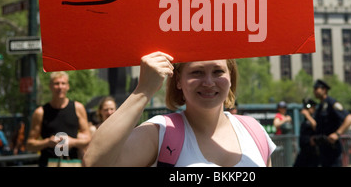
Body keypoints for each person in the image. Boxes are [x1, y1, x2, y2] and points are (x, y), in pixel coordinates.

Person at [83, 52, 276, 167]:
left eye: (218, 71)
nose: (208, 82)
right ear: (178, 81)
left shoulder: (254, 131)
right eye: (197, 72)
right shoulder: (161, 132)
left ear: (231, 77)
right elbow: (94, 162)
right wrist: (144, 90)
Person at [26, 71, 91, 167]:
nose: (60, 87)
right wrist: (48, 142)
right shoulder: (40, 112)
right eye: (56, 84)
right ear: (50, 87)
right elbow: (29, 145)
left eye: (63, 83)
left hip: (72, 162)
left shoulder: (78, 108)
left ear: (67, 86)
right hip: (48, 162)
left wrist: (72, 142)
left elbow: (88, 140)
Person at [312, 79, 351, 167]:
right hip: (323, 148)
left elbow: (350, 118)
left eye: (316, 88)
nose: (314, 91)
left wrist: (337, 134)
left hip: (332, 148)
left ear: (324, 90)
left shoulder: (331, 103)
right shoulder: (320, 106)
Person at [293, 98, 319, 167]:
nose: (307, 110)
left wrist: (307, 115)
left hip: (312, 151)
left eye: (309, 107)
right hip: (304, 150)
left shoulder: (316, 116)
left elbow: (316, 126)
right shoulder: (305, 119)